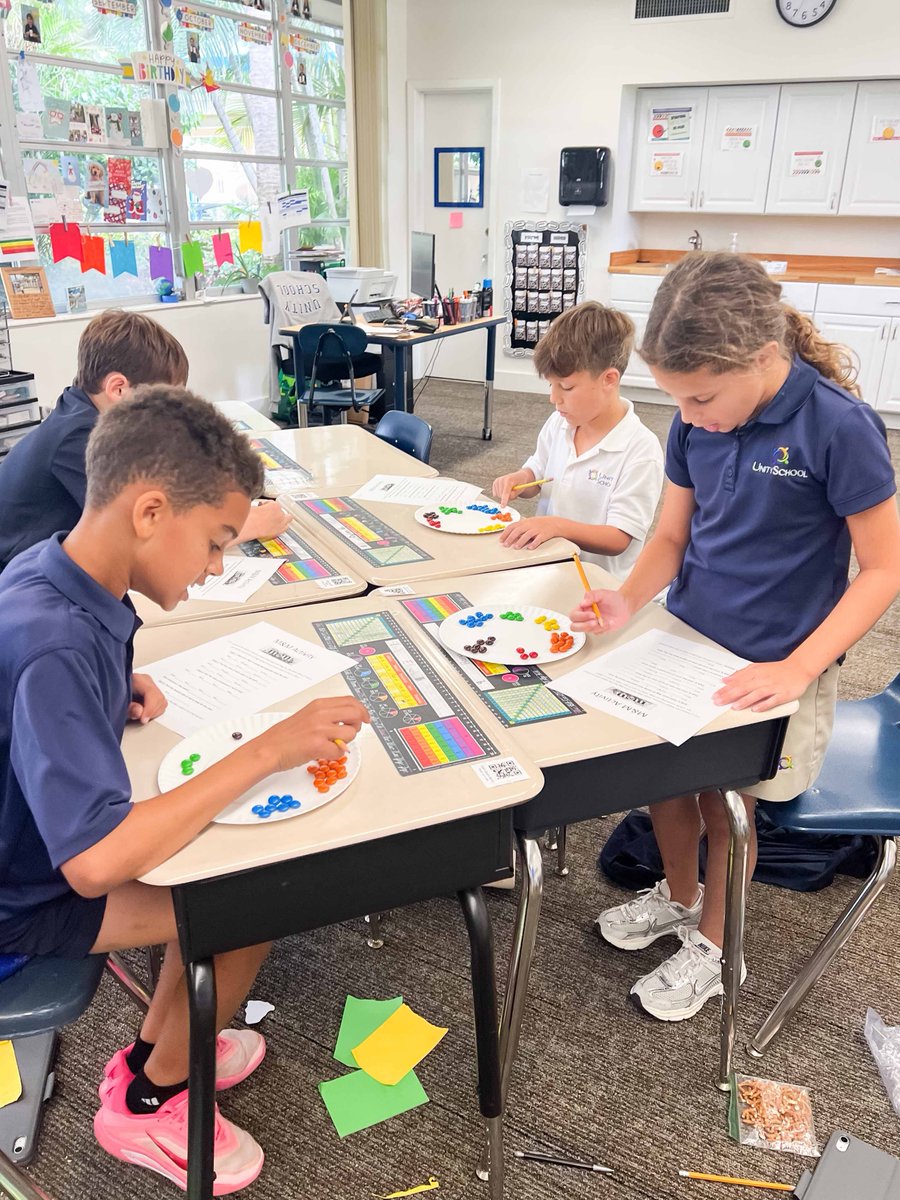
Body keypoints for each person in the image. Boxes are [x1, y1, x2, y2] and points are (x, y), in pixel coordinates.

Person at [0, 386, 369, 1189]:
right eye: (214, 542)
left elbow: (43, 687)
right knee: (256, 896)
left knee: (218, 861)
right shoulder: (54, 645)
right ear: (150, 513)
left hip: (26, 846)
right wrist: (266, 749)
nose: (216, 566)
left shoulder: (58, 573)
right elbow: (95, 863)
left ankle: (162, 1045)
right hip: (17, 906)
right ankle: (149, 1097)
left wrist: (113, 689)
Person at [572, 252, 900, 1021]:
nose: (687, 415)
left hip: (775, 659)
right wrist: (626, 600)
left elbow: (884, 570)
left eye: (702, 397)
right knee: (661, 778)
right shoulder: (696, 420)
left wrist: (798, 667)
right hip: (688, 636)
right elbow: (670, 537)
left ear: (762, 359)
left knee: (731, 808)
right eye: (676, 397)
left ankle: (716, 947)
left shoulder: (840, 427)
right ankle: (680, 898)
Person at [0, 309, 290, 573]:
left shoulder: (82, 409)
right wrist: (246, 524)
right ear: (118, 388)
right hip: (23, 584)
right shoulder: (79, 439)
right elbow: (144, 542)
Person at [492, 300, 663, 579]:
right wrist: (520, 480)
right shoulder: (560, 423)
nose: (553, 398)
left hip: (596, 585)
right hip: (548, 566)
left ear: (609, 379)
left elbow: (619, 537)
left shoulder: (640, 449)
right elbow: (539, 471)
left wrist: (557, 526)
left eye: (567, 387)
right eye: (551, 385)